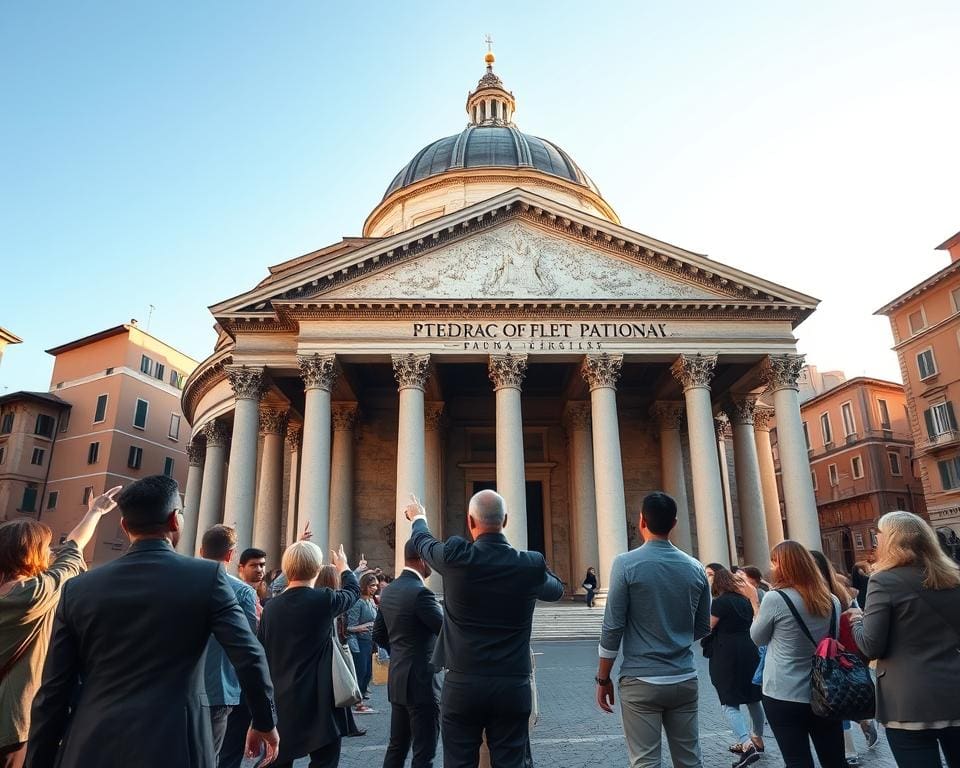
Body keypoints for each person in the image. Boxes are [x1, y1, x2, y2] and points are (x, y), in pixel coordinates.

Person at [25, 475, 278, 768]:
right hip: (177, 745)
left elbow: (53, 691)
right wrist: (264, 721)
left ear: (124, 526)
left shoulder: (77, 588)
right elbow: (248, 655)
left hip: (92, 742)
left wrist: (38, 760)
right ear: (174, 521)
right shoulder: (207, 578)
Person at [404, 489, 564, 768]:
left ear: (470, 521)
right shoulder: (529, 564)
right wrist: (533, 566)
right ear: (506, 520)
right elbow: (556, 590)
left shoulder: (456, 556)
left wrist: (419, 518)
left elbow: (424, 543)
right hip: (511, 686)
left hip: (462, 685)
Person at [0, 486, 120, 768]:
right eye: (45, 547)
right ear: (32, 554)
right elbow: (73, 551)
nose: (50, 551)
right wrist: (95, 512)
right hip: (9, 722)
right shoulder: (36, 594)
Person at [597, 491, 711, 768]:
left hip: (641, 679)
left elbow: (612, 627)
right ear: (674, 524)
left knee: (645, 762)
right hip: (684, 676)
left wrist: (603, 678)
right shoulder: (696, 568)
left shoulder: (625, 564)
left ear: (641, 522)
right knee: (690, 760)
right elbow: (701, 627)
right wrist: (673, 636)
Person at [847, 511, 960, 767]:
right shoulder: (954, 577)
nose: (876, 540)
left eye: (879, 535)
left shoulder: (884, 581)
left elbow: (871, 645)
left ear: (891, 540)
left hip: (909, 702)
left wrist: (857, 621)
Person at [258, 541, 360, 768]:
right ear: (317, 569)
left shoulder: (271, 608)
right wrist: (343, 567)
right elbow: (353, 592)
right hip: (321, 697)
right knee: (325, 760)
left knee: (277, 758)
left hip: (283, 697)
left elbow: (261, 652)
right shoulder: (323, 599)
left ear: (287, 569)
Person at [745, 540, 845, 768]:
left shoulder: (775, 599)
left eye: (774, 562)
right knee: (834, 760)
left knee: (797, 760)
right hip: (825, 690)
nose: (771, 567)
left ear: (782, 566)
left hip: (784, 692)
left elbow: (757, 638)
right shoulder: (832, 600)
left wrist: (754, 602)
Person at [373, 539, 444, 768]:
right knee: (424, 752)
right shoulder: (421, 594)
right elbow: (446, 631)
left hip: (398, 679)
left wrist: (400, 653)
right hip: (423, 683)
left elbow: (378, 634)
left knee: (397, 747)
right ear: (422, 559)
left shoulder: (389, 591)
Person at [809, 550, 878, 765]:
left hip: (828, 654)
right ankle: (863, 723)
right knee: (841, 696)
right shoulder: (839, 589)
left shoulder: (816, 594)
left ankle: (849, 750)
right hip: (848, 654)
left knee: (833, 700)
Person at [198, 525, 260, 760]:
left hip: (181, 687)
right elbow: (249, 644)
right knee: (211, 756)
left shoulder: (179, 583)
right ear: (231, 555)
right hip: (219, 687)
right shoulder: (243, 592)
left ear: (201, 550)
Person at [703, 563, 764, 767]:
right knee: (753, 698)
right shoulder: (744, 600)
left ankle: (747, 744)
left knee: (728, 700)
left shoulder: (720, 603)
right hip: (748, 649)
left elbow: (708, 627)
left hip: (726, 653)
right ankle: (757, 738)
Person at [219, 545, 271, 767]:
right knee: (230, 746)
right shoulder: (242, 592)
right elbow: (250, 643)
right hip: (237, 678)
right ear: (240, 567)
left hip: (234, 679)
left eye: (262, 565)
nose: (259, 570)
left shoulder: (262, 592)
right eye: (254, 565)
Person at [316, 565, 367, 740]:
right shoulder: (331, 600)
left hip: (339, 645)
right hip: (336, 648)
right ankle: (344, 726)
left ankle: (349, 725)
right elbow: (353, 591)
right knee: (342, 685)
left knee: (344, 684)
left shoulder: (331, 598)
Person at [346, 572, 379, 713]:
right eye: (372, 585)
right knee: (360, 672)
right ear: (364, 586)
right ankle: (357, 703)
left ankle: (360, 699)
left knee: (367, 673)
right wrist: (363, 627)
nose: (375, 588)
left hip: (369, 641)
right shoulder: (358, 603)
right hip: (358, 642)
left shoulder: (371, 601)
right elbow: (349, 627)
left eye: (376, 585)